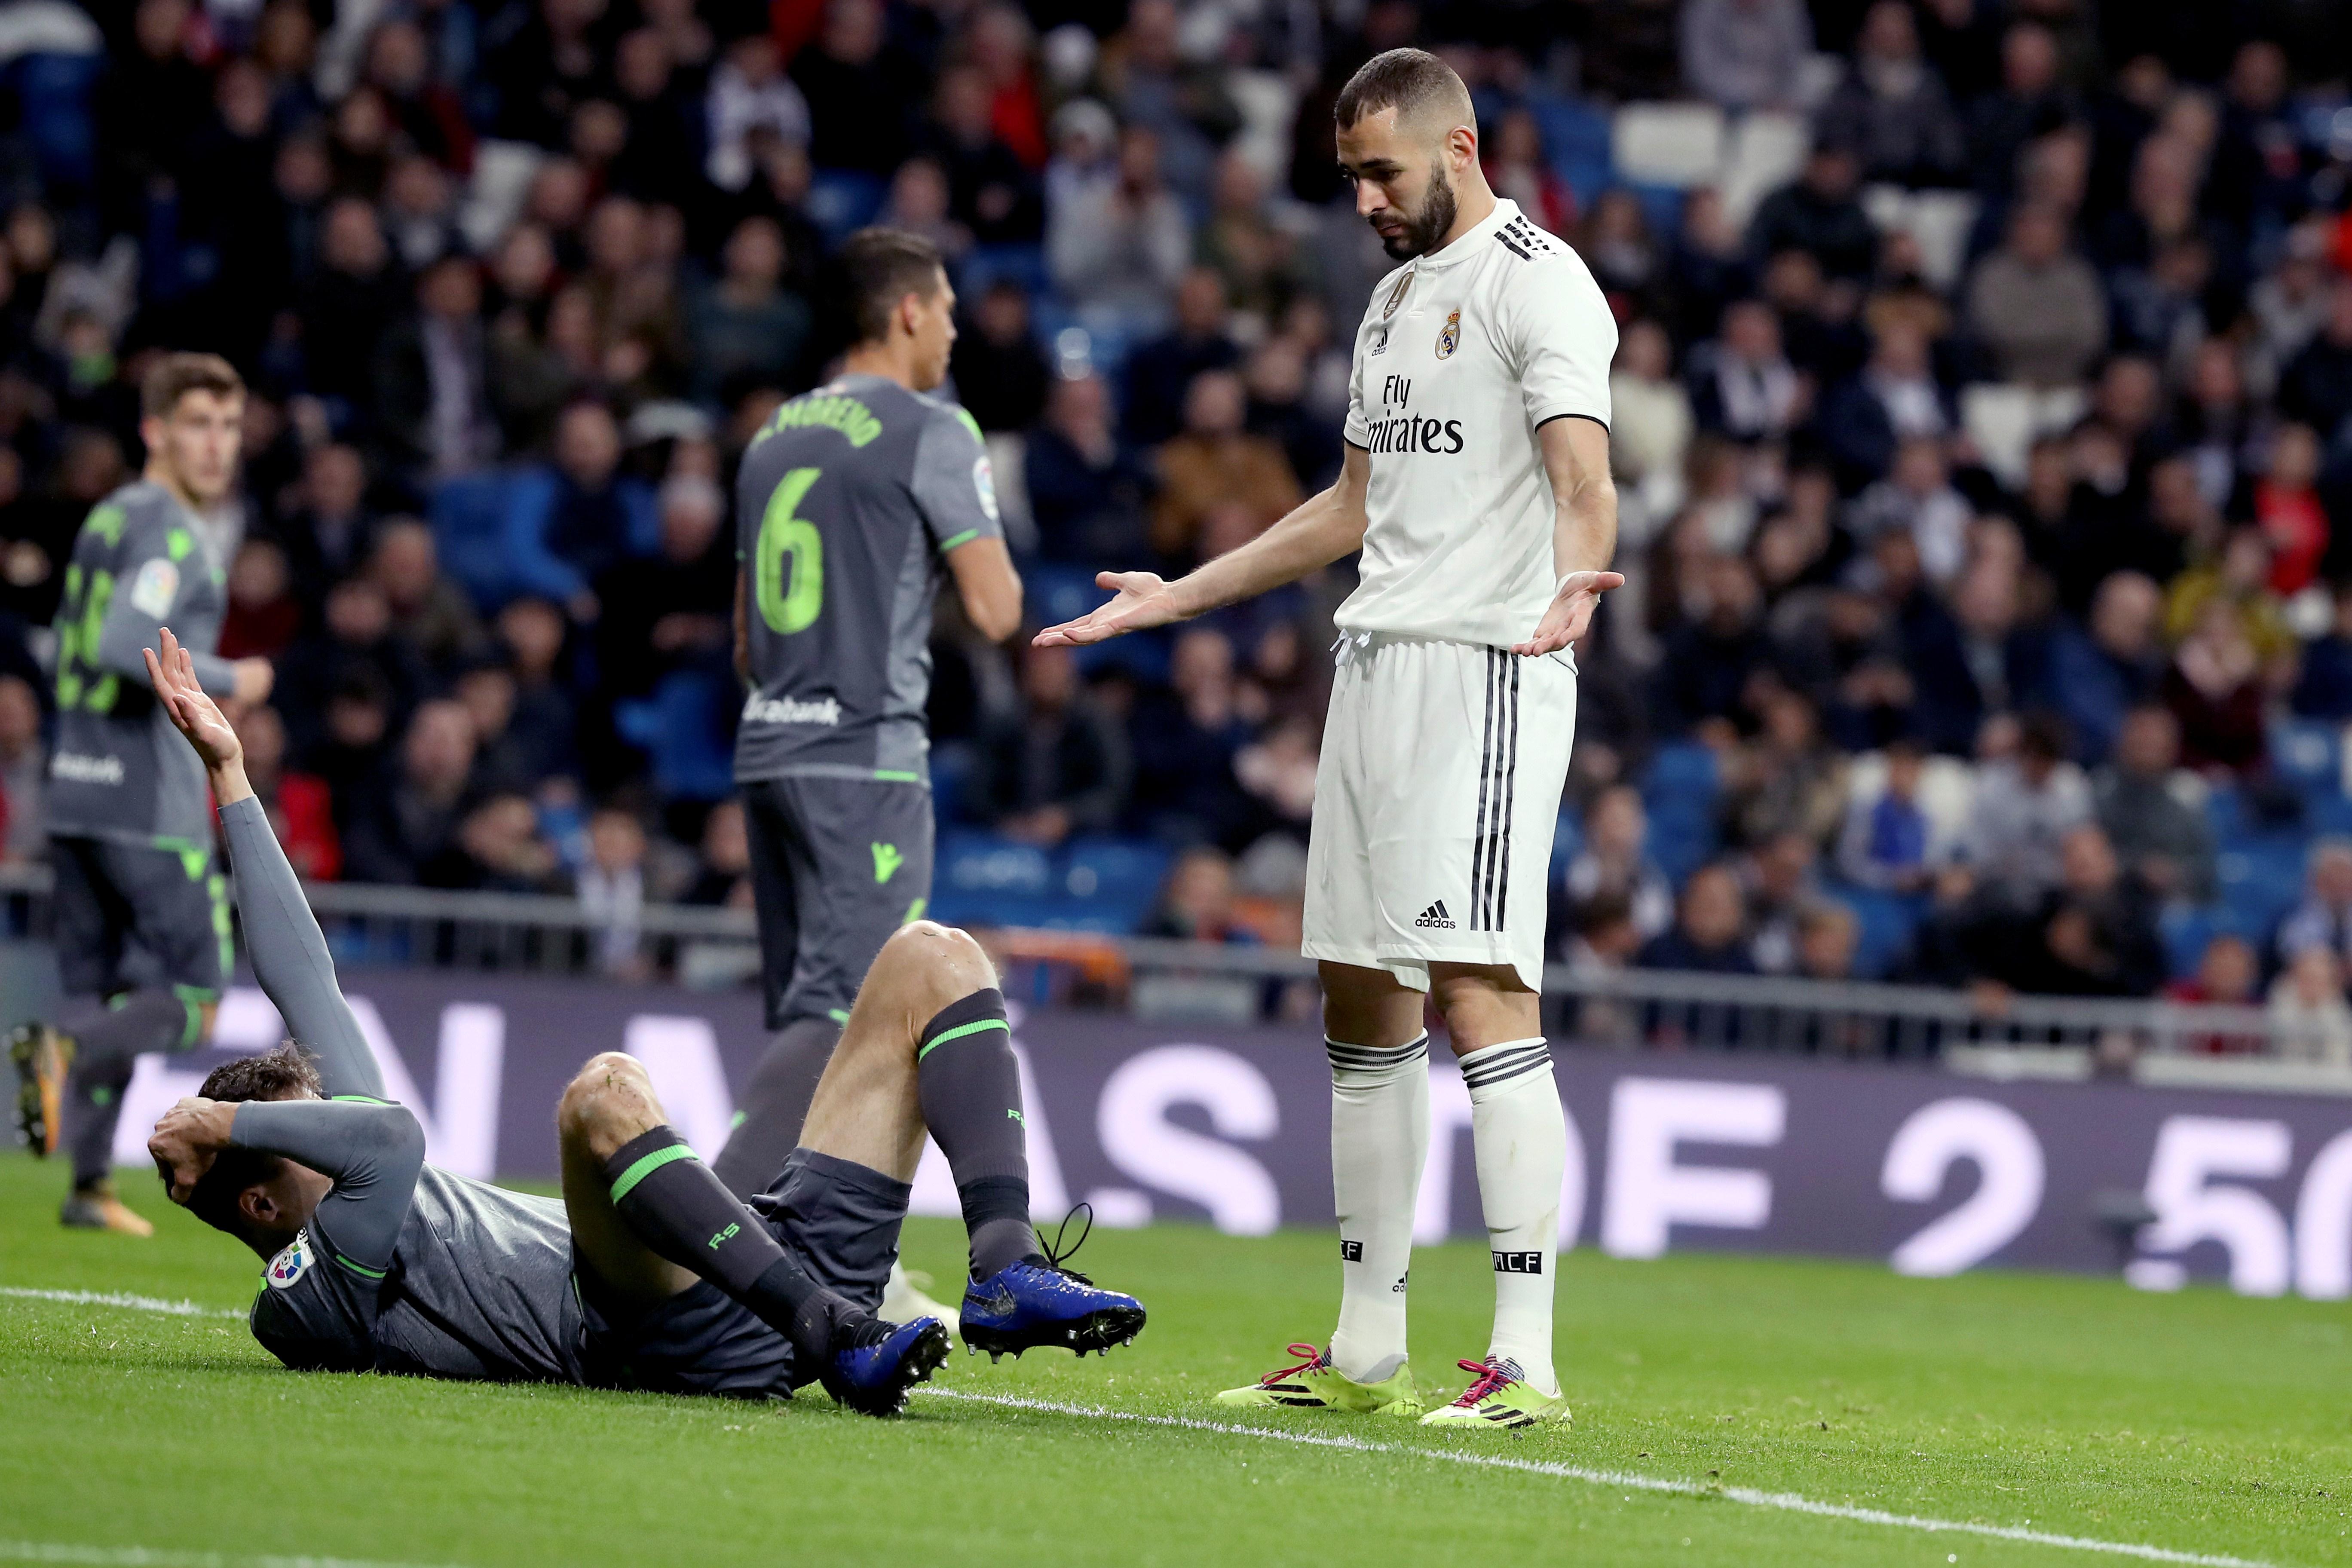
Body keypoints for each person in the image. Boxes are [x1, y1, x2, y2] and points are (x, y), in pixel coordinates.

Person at [1037, 50, 1618, 1431]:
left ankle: (1528, 1358)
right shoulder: (1391, 300)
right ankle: (1368, 1352)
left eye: (1381, 172)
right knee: (1361, 1000)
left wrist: (1578, 580)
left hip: (1487, 665)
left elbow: (1581, 476)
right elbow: (1349, 505)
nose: (1361, 197)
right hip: (1374, 669)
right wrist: (1179, 596)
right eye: (1350, 174)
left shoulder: (1541, 282)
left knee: (1482, 990)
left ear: (1460, 149)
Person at [138, 625, 1143, 1406]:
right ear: (265, 1207)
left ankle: (1003, 1267)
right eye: (306, 1129)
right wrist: (225, 1126)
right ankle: (834, 1333)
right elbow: (392, 1137)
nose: (333, 1119)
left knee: (934, 957)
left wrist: (227, 774)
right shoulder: (303, 1296)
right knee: (601, 1093)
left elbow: (303, 976)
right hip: (638, 1329)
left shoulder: (339, 1182)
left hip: (752, 1263)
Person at [714, 228, 1024, 1335]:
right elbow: (996, 609)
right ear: (903, 313)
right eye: (943, 307)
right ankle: (709, 1236)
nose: (950, 328)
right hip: (866, 761)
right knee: (858, 1011)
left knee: (825, 1018)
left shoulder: (770, 437)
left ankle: (859, 1262)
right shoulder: (931, 428)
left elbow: (749, 639)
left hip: (770, 753)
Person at [9, 355, 274, 1236]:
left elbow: (70, 641)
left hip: (74, 791)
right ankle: (60, 1052)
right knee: (195, 1004)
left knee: (107, 994)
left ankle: (87, 1186)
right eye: (198, 422)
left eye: (230, 427)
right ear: (155, 431)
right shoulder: (171, 530)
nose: (216, 444)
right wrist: (238, 675)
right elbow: (127, 643)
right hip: (146, 809)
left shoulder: (111, 515)